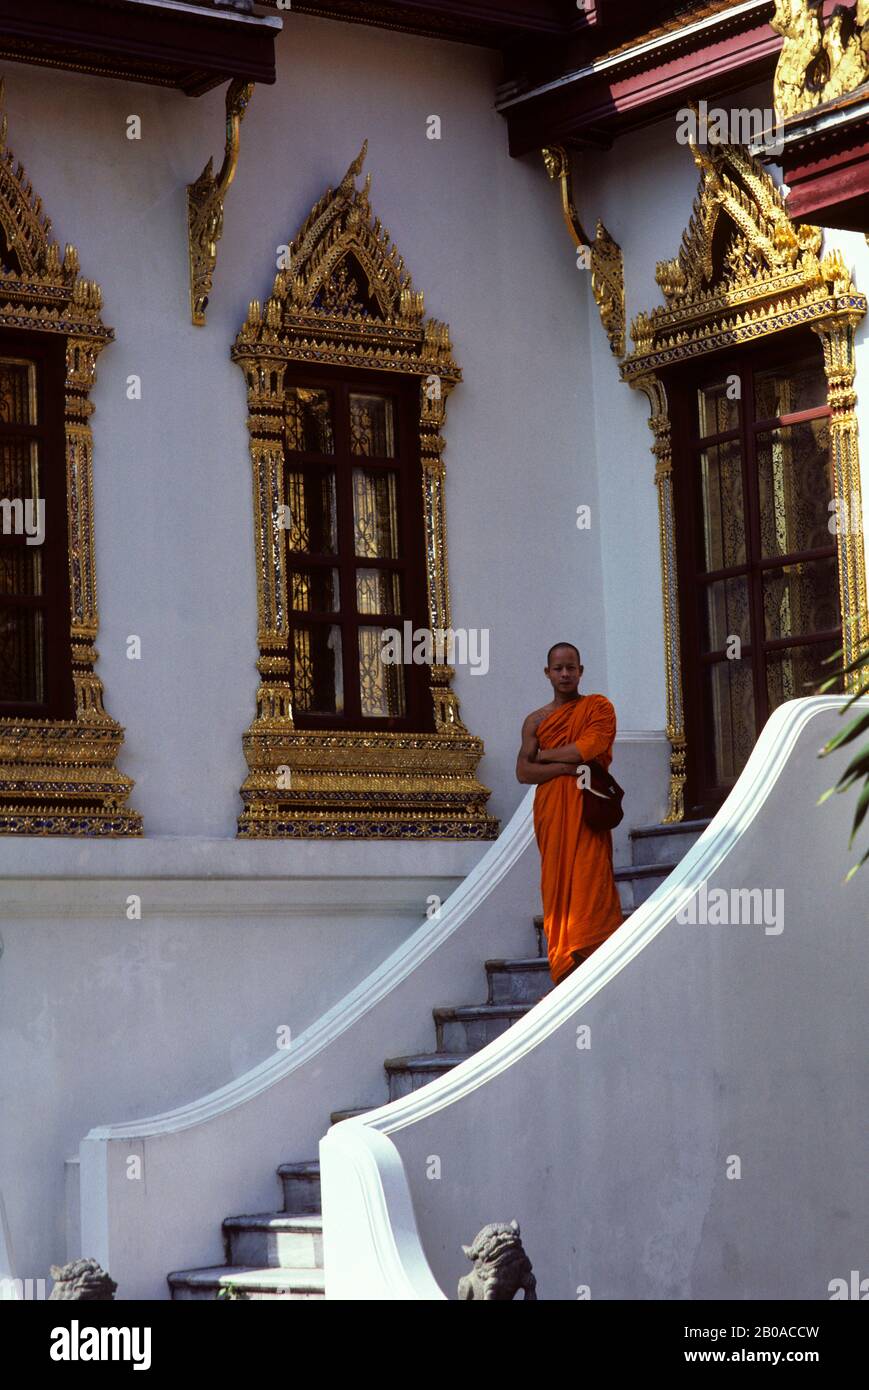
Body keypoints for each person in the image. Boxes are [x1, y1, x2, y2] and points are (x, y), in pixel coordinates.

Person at [516, 642, 623, 985]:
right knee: (557, 884)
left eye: (571, 668)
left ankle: (592, 961)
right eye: (558, 668)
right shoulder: (535, 720)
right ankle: (565, 965)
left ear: (581, 671)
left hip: (586, 810)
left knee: (591, 880)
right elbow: (523, 773)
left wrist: (545, 756)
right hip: (552, 811)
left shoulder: (598, 708)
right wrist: (562, 770)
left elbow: (588, 749)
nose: (565, 674)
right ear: (547, 673)